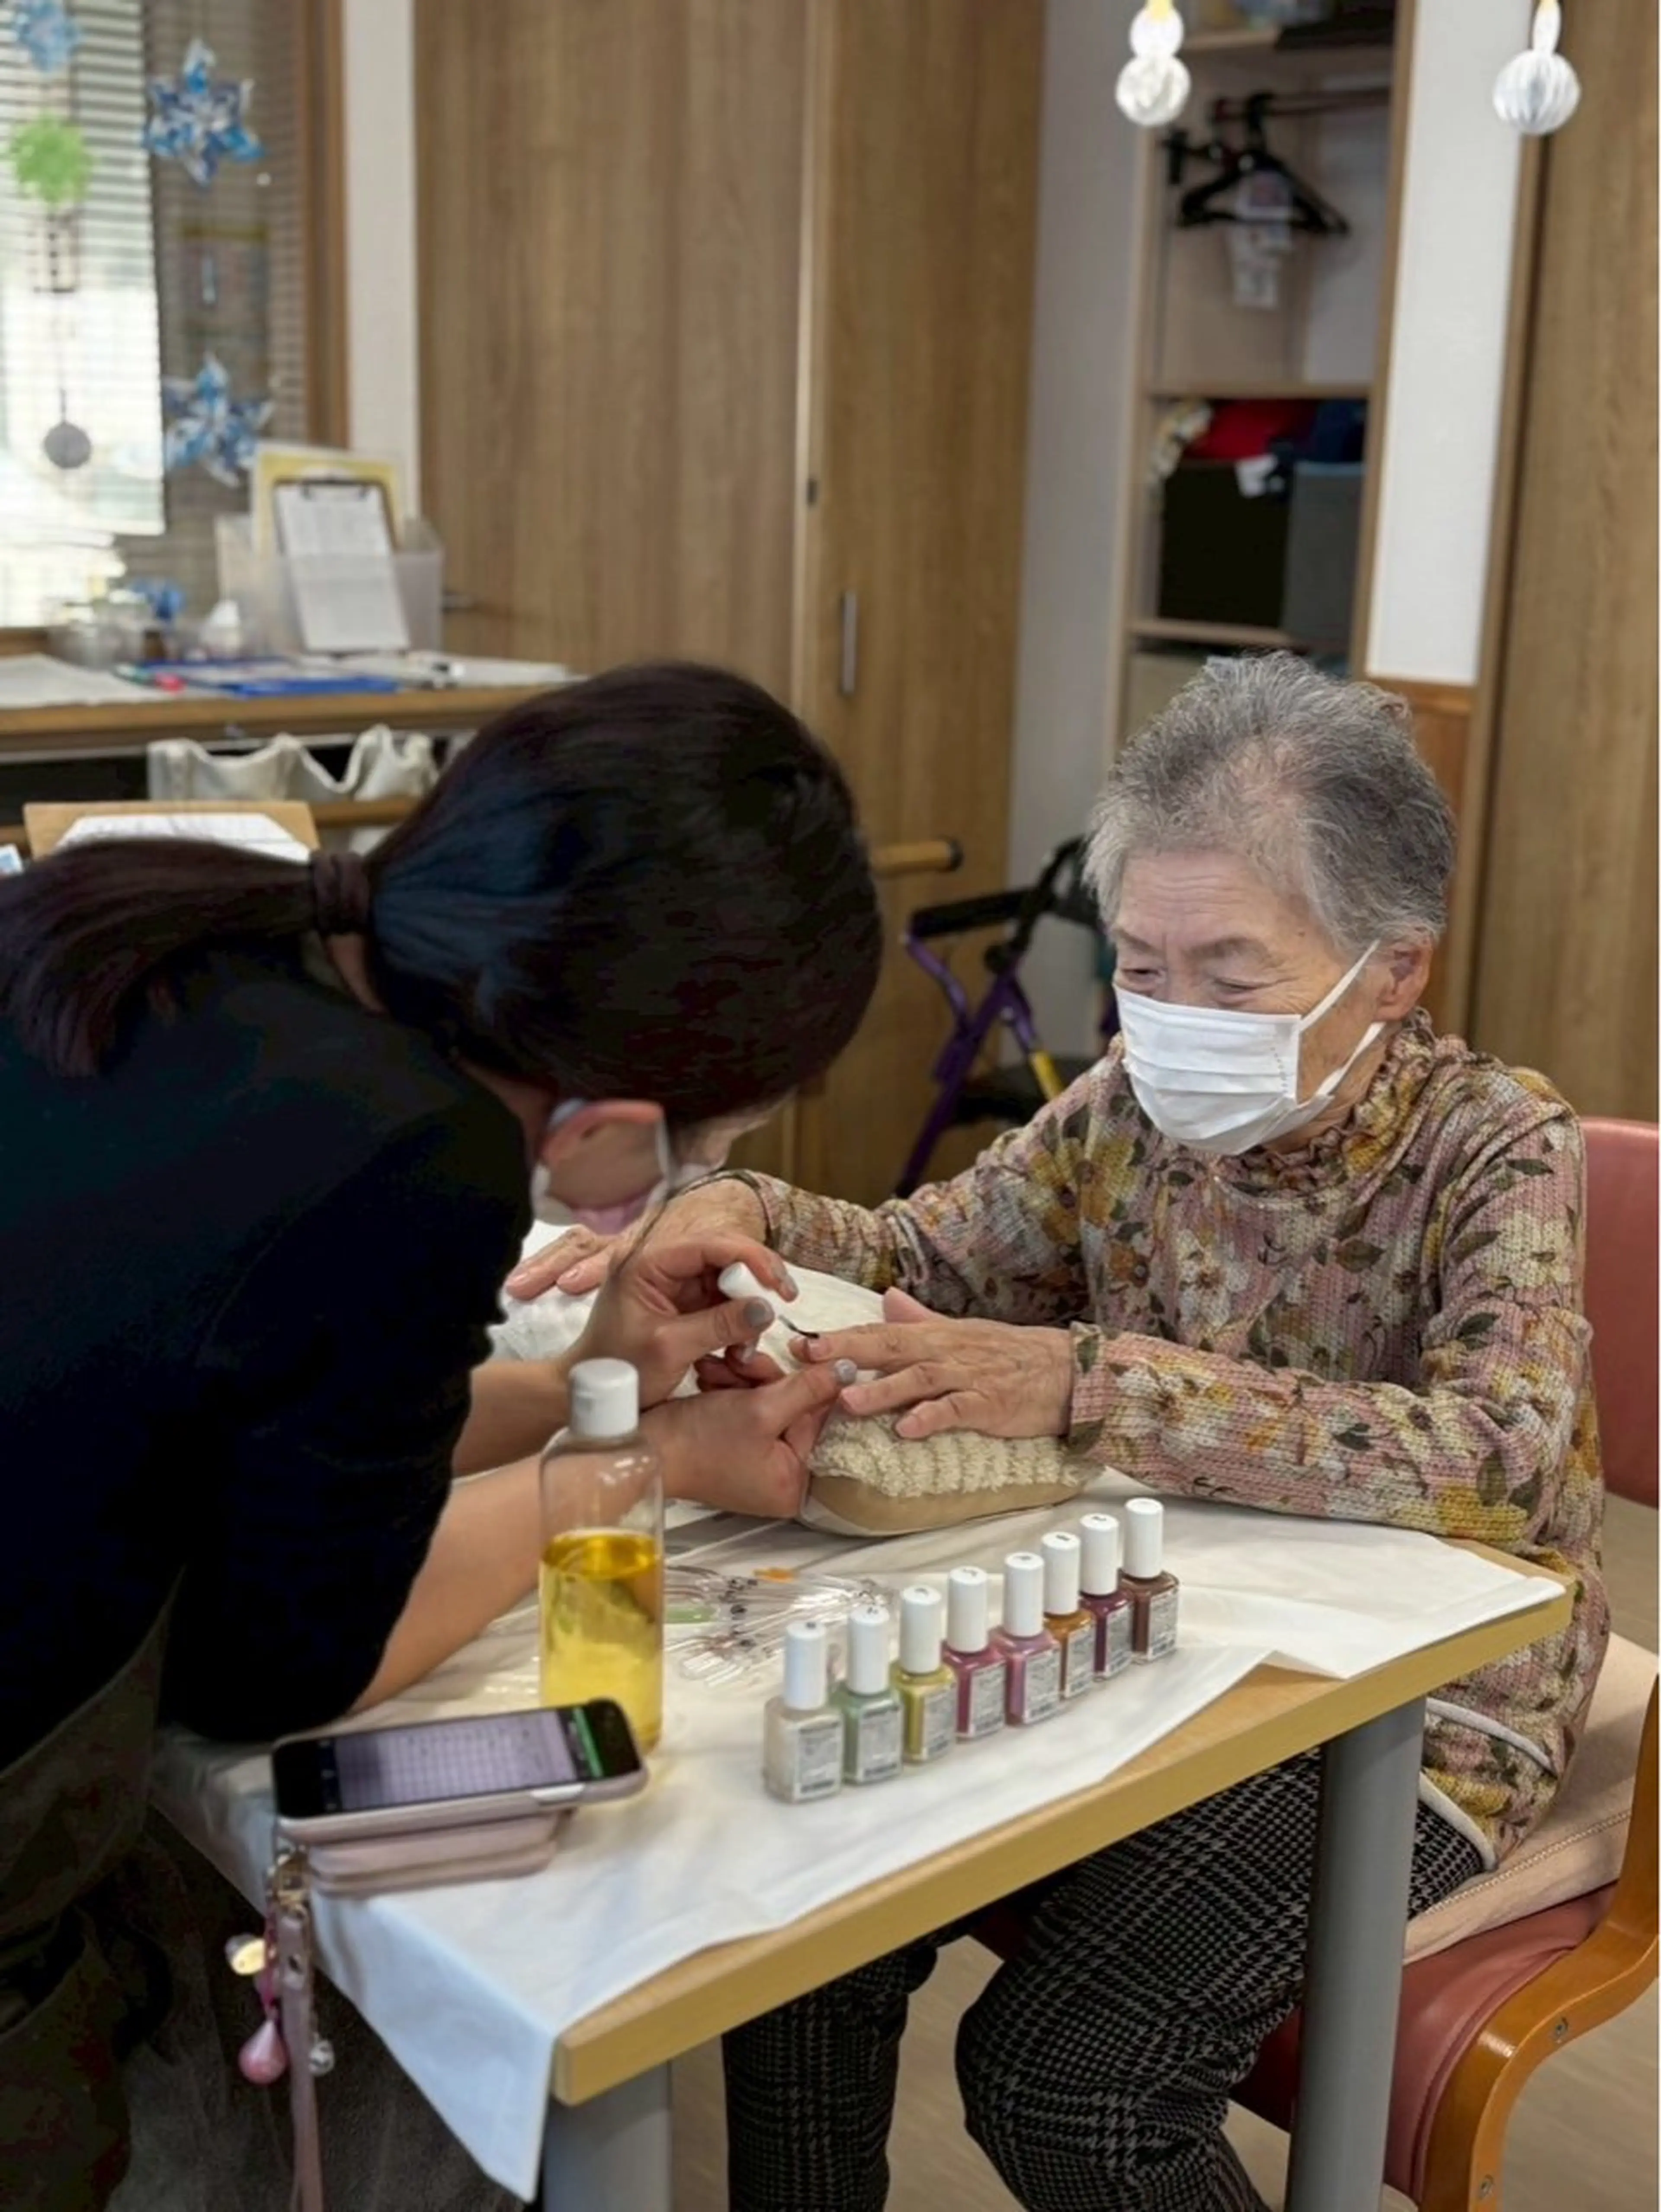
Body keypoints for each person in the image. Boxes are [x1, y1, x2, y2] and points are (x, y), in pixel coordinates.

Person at [547, 653, 1609, 2212]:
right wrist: (745, 1205)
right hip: (1161, 1621)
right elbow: (935, 1248)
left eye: (1234, 977)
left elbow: (1497, 1452)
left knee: (1070, 2087)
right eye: (1143, 965)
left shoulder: (1496, 1146)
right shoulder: (1128, 1103)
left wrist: (1087, 1384)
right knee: (794, 1944)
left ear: (1393, 969)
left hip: (1426, 1707)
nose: (1174, 1019)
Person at [0, 662, 881, 2210]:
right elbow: (284, 1660)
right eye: (713, 1130)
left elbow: (260, 1423)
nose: (695, 1165)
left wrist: (589, 1381)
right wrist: (647, 1470)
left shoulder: (177, 930)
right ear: (613, 1101)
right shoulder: (417, 1145)